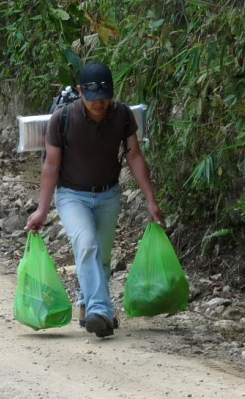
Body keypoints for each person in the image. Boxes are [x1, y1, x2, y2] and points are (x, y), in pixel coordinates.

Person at [24, 61, 163, 338]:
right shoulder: (62, 119)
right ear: (80, 92)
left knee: (102, 257)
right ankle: (102, 311)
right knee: (86, 245)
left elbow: (134, 156)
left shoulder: (122, 115)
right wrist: (41, 210)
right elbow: (51, 167)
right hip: (71, 195)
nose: (99, 104)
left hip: (108, 193)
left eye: (104, 97)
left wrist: (150, 200)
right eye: (93, 98)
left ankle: (87, 305)